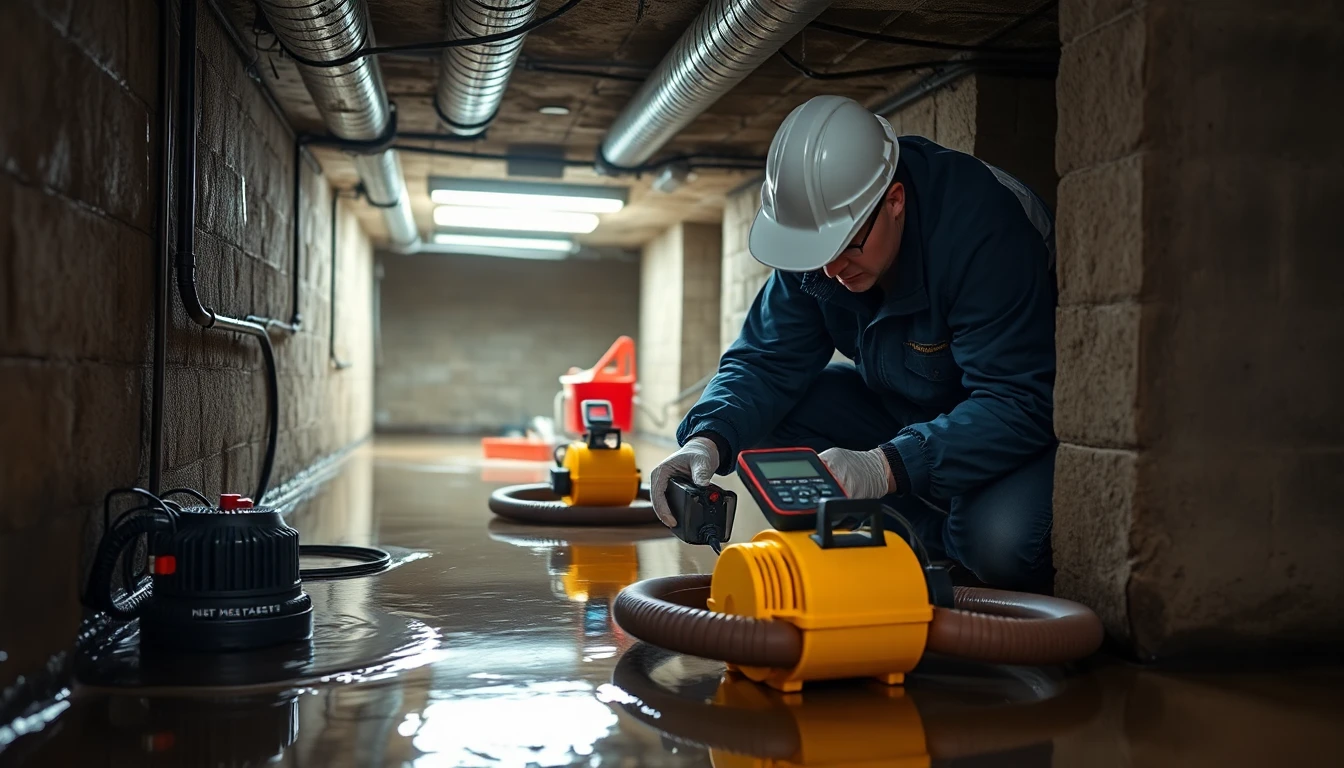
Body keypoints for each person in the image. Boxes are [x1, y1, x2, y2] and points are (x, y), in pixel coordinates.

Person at [650, 95, 1058, 593]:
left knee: (1003, 545)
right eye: (815, 254)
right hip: (902, 412)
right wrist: (707, 437)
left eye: (847, 248)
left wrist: (885, 466)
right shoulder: (820, 248)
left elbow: (1019, 400)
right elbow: (764, 361)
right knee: (767, 422)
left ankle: (956, 532)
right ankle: (925, 544)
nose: (830, 271)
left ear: (895, 201)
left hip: (998, 429)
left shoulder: (983, 231)